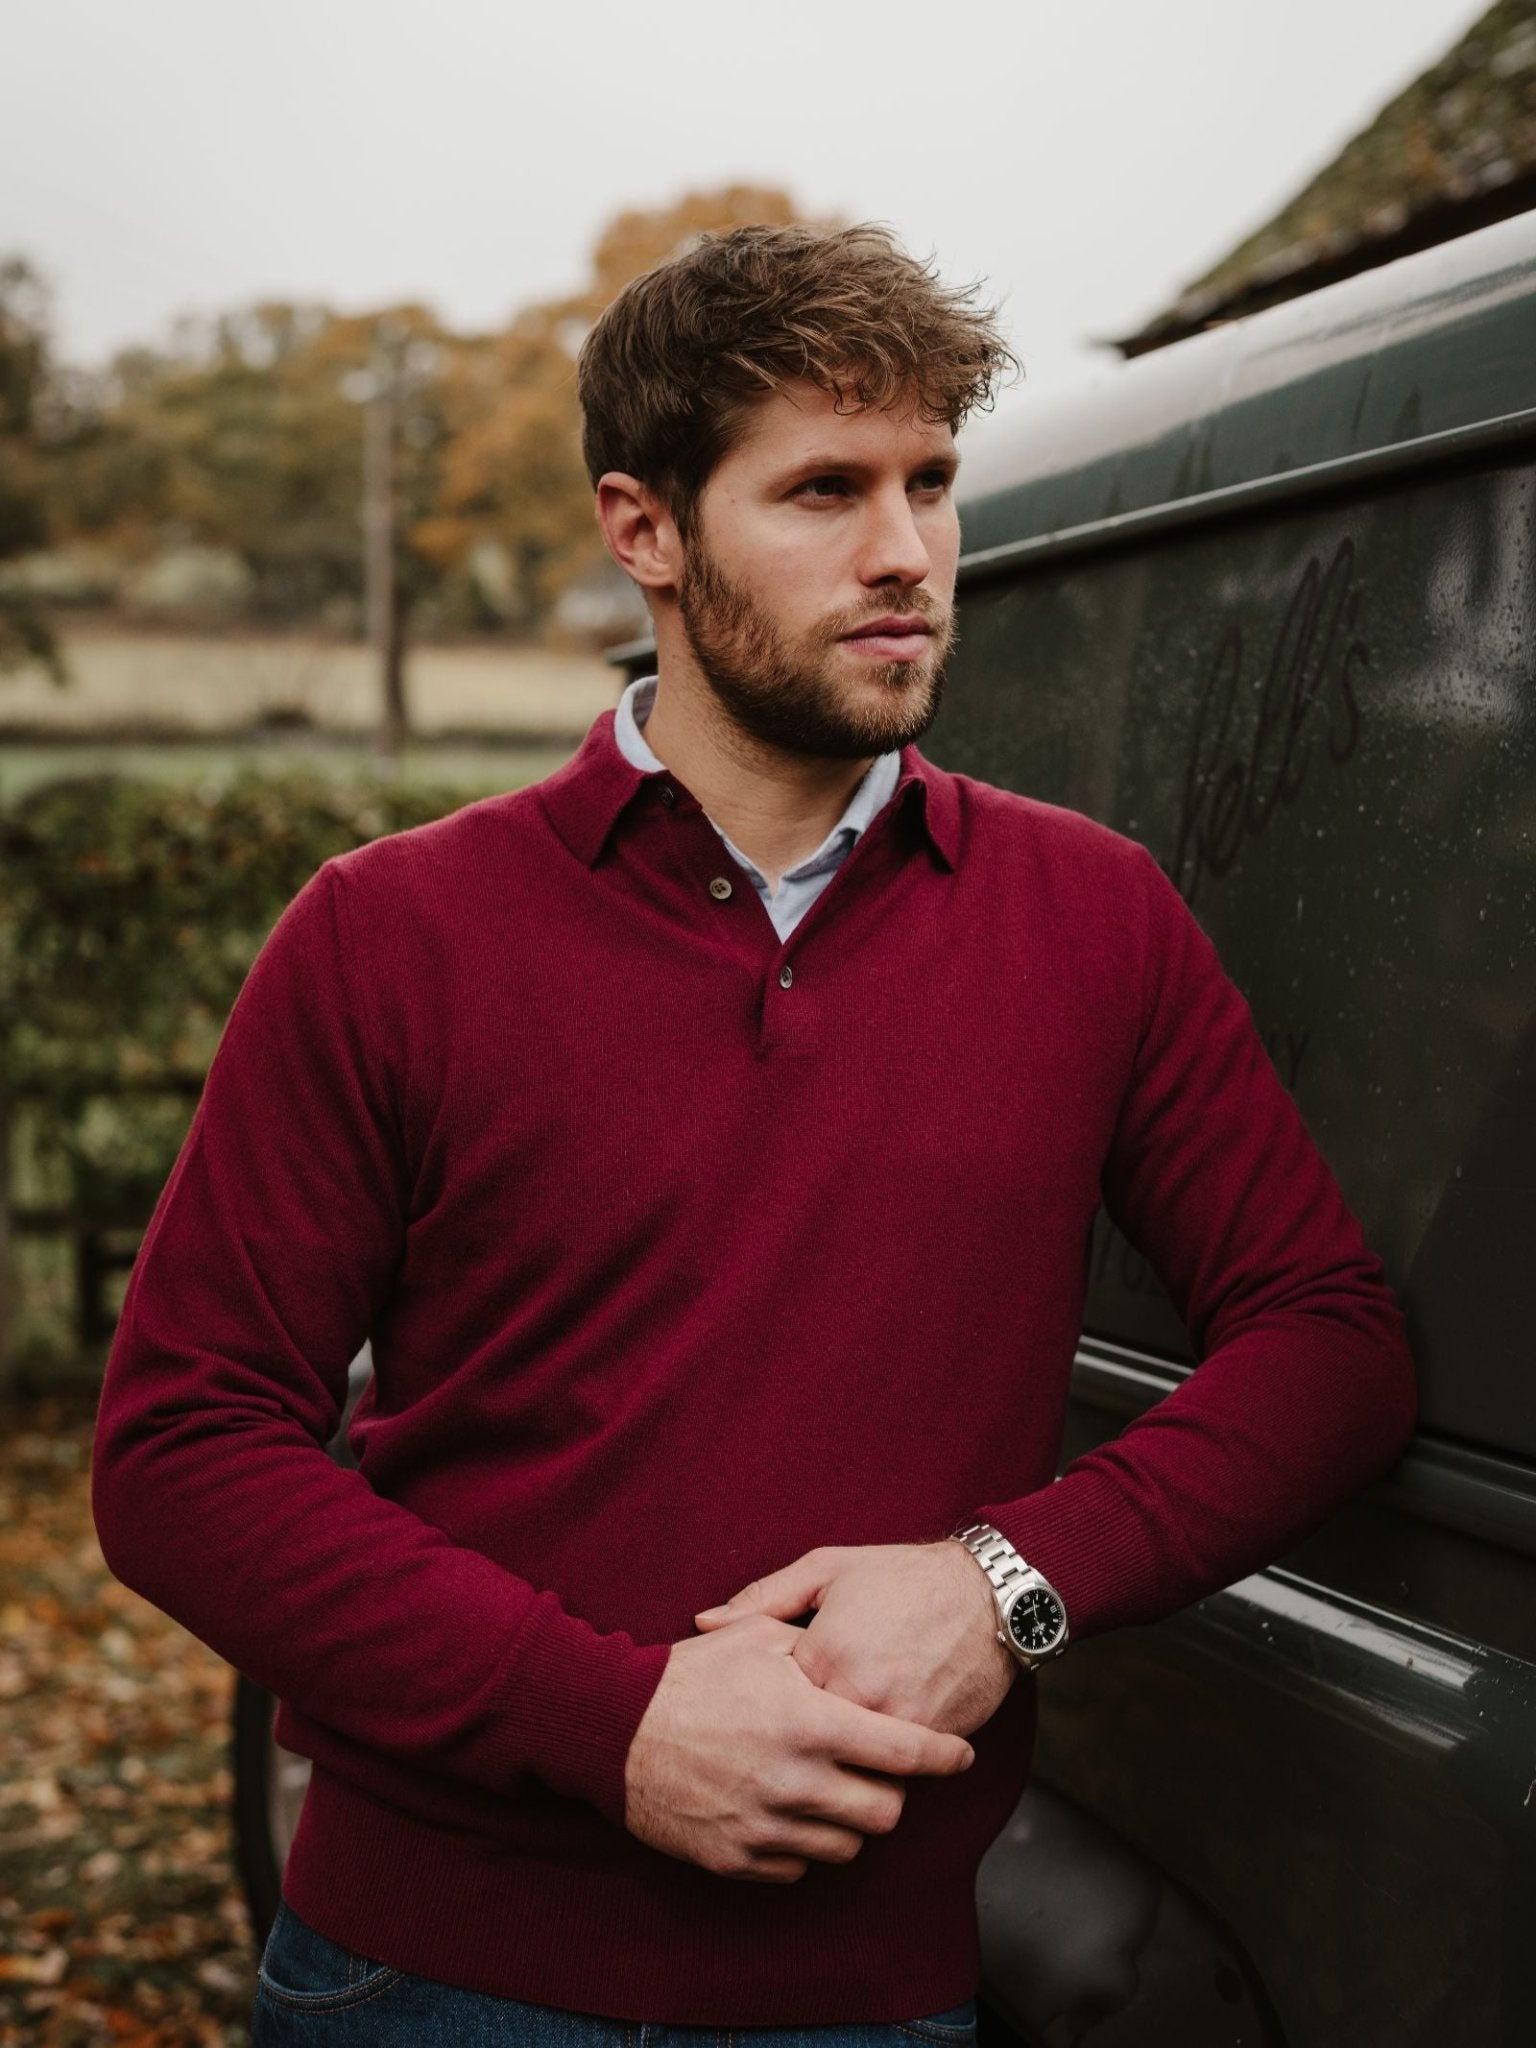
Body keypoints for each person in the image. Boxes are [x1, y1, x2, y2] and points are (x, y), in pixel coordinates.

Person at [91, 224, 1417, 2043]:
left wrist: (1008, 1583)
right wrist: (609, 1723)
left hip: (865, 1992)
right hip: (425, 1981)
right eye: (823, 490)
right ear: (645, 529)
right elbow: (184, 1449)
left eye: (931, 484)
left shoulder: (1093, 919)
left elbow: (1328, 1345)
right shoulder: (390, 933)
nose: (907, 554)